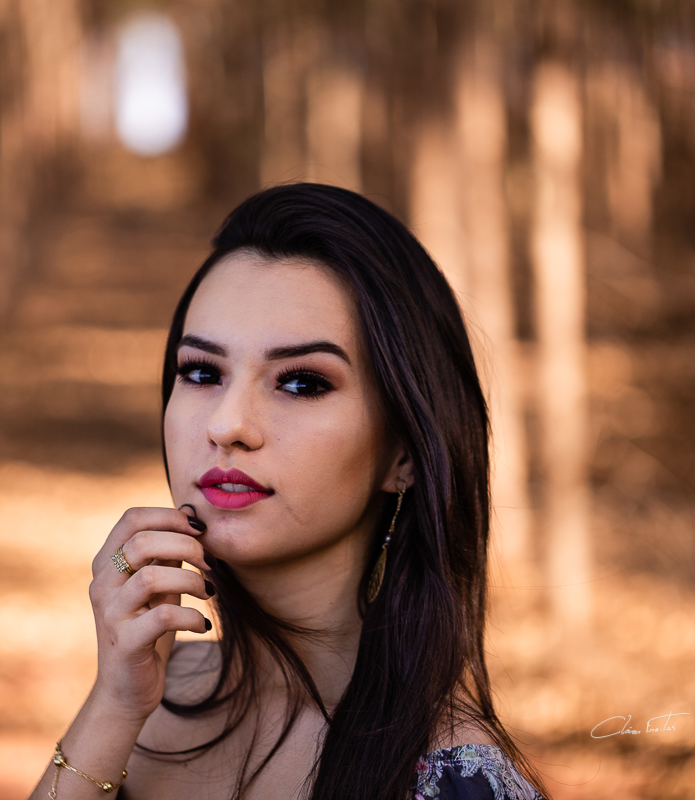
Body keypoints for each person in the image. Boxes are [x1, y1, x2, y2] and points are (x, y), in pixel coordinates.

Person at [30, 183, 548, 800]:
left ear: (404, 453)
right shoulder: (149, 695)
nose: (227, 425)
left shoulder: (451, 780)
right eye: (201, 372)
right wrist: (112, 709)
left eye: (301, 383)